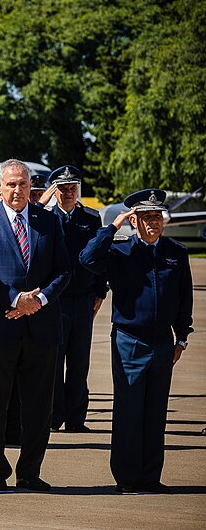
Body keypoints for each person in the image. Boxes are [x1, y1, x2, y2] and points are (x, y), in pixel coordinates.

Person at [0, 159, 70, 491]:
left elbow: (64, 270)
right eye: (10, 184)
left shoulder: (48, 222)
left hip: (41, 327)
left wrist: (37, 301)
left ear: (30, 187)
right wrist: (14, 300)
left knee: (39, 406)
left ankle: (29, 472)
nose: (17, 190)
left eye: (22, 184)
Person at [80, 189, 193, 494]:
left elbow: (185, 298)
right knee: (130, 411)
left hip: (162, 342)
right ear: (135, 221)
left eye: (157, 217)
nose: (152, 223)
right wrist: (113, 225)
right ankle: (128, 479)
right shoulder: (120, 251)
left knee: (155, 412)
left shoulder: (176, 253)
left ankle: (150, 477)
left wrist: (181, 338)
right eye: (145, 217)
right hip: (129, 341)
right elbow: (87, 258)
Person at [45, 166, 108, 433]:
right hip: (55, 302)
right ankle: (53, 416)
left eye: (73, 188)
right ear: (54, 190)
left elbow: (98, 257)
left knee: (79, 362)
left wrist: (100, 292)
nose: (69, 193)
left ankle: (76, 418)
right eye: (63, 188)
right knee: (53, 362)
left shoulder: (91, 218)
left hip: (83, 299)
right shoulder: (45, 219)